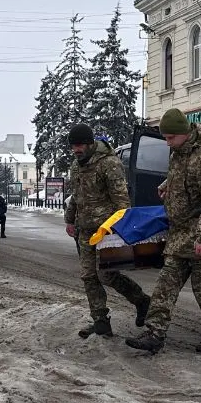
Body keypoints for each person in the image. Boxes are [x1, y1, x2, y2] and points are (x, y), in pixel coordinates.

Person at [125, 109, 201, 354]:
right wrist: (167, 185)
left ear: (184, 133)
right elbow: (181, 175)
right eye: (165, 137)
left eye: (171, 137)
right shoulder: (179, 152)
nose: (167, 142)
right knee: (166, 283)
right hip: (181, 233)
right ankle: (154, 333)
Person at [63, 122, 151, 339]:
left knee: (106, 275)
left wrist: (120, 229)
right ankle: (100, 320)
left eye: (80, 145)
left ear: (90, 143)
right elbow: (76, 196)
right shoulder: (76, 166)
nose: (76, 150)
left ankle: (141, 301)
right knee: (88, 276)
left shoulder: (109, 164)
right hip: (85, 230)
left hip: (106, 230)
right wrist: (69, 219)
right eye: (73, 146)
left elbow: (121, 200)